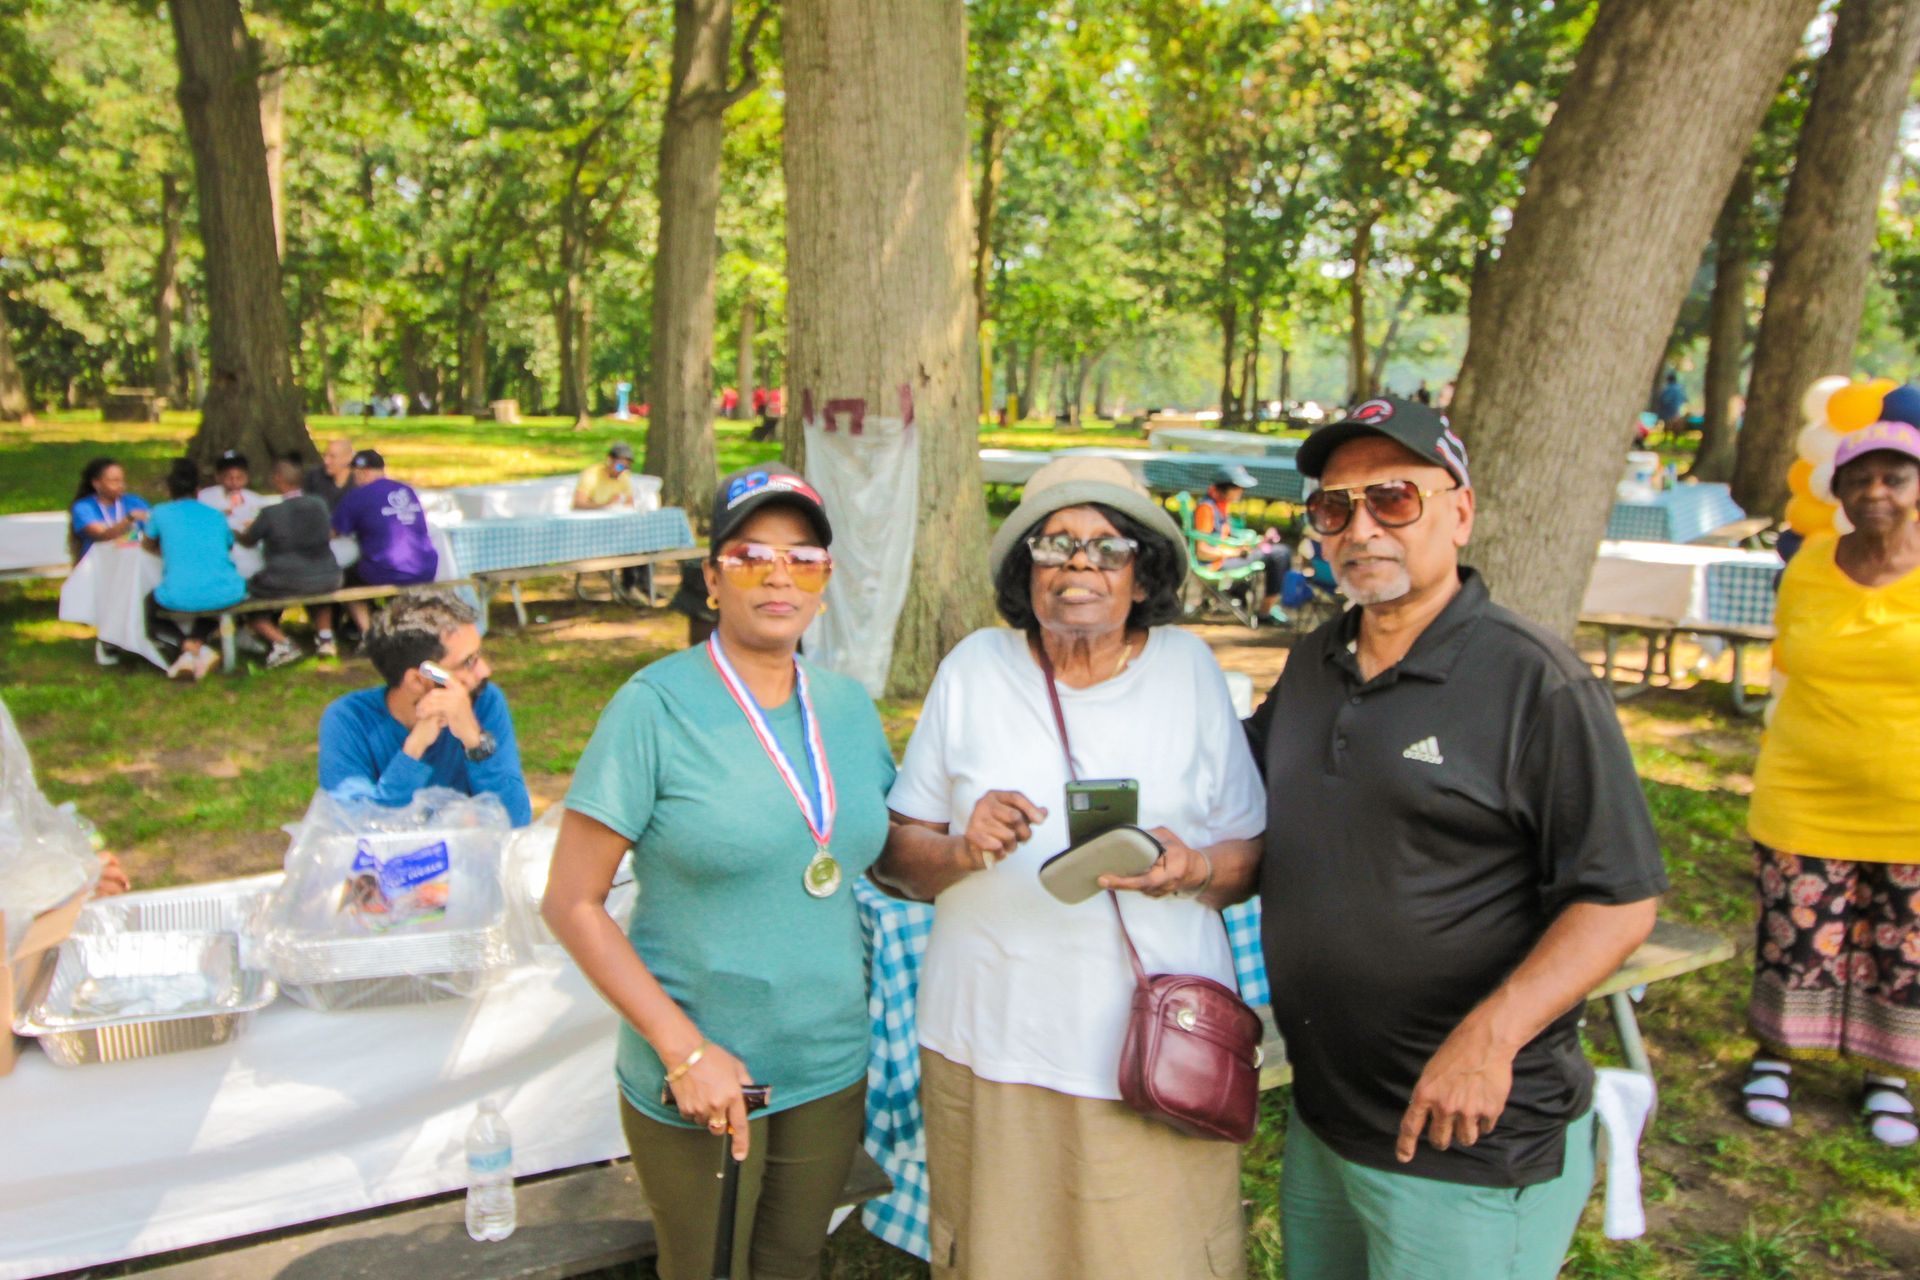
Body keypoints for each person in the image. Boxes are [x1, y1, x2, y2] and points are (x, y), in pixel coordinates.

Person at [1246, 397, 1667, 1280]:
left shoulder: (1535, 683)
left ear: (1461, 512)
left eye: (1393, 498)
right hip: (1326, 1120)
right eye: (1334, 507)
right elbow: (1246, 799)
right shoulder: (1316, 662)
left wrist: (1491, 1038)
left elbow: (1619, 898)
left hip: (1466, 1137)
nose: (1362, 528)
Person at [876, 456, 1266, 1280]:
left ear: (1142, 573)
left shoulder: (1190, 670)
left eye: (1108, 547)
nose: (1079, 564)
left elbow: (1250, 858)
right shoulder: (974, 668)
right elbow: (898, 858)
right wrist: (961, 848)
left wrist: (1192, 866)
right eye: (1054, 544)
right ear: (1026, 569)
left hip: (1150, 1047)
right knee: (1001, 1256)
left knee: (1155, 1259)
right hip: (990, 1037)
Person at [543, 465, 894, 1280]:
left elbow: (874, 848)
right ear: (712, 578)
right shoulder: (654, 707)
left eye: (803, 559)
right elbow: (570, 901)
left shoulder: (848, 707)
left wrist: (969, 843)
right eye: (751, 556)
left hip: (829, 1059)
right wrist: (683, 1051)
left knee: (794, 1261)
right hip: (702, 1072)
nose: (779, 576)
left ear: (825, 581)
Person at [1742, 416, 1920, 1148]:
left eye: (1894, 478)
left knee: (1902, 945)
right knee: (1794, 934)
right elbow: (1790, 656)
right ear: (1838, 490)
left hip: (1911, 804)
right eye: (1859, 479)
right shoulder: (1809, 565)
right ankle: (1775, 1057)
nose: (1876, 491)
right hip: (1804, 788)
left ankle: (1888, 1076)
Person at [317, 589, 531, 826]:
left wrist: (475, 742)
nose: (484, 671)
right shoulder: (349, 720)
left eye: (479, 655)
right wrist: (413, 751)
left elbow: (516, 821)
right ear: (418, 680)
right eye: (468, 662)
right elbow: (356, 828)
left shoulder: (485, 701)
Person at [144, 458, 248, 682]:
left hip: (179, 593)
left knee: (150, 609)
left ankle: (187, 647)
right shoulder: (216, 515)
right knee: (215, 602)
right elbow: (228, 544)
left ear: (169, 491)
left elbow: (147, 544)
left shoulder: (160, 513)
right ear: (198, 490)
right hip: (225, 590)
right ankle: (198, 647)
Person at [239, 459, 344, 665]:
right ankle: (325, 638)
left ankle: (282, 643)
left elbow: (249, 539)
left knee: (247, 598)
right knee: (319, 590)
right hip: (329, 576)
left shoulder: (270, 513)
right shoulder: (320, 505)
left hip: (285, 579)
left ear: (279, 479)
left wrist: (236, 531)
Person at [329, 449, 438, 636]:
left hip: (388, 570)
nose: (353, 479)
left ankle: (368, 634)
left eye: (355, 474)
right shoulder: (406, 490)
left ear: (363, 472)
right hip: (425, 566)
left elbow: (334, 532)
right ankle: (392, 623)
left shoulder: (358, 496)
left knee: (346, 578)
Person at [1193, 463, 1291, 623]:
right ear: (1225, 488)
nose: (1241, 492)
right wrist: (1236, 552)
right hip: (1215, 564)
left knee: (1280, 551)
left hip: (1227, 558)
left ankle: (1264, 606)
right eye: (1238, 488)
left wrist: (1252, 543)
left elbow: (1223, 538)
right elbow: (1202, 552)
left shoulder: (1220, 506)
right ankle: (1265, 611)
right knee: (1280, 554)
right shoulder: (1206, 509)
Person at [68, 457, 150, 562]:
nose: (121, 485)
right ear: (97, 483)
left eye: (122, 480)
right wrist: (129, 518)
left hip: (131, 563)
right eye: (114, 481)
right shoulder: (84, 507)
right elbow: (103, 535)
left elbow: (152, 531)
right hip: (98, 564)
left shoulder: (134, 502)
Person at [197, 450, 269, 535]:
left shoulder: (256, 500)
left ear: (247, 477)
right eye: (229, 477)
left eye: (239, 477)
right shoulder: (204, 497)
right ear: (218, 477)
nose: (234, 482)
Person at [573, 442, 638, 510]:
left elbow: (630, 503)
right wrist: (607, 506)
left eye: (626, 467)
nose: (622, 471)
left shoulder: (624, 475)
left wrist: (621, 506)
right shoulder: (592, 474)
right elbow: (578, 504)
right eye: (620, 467)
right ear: (609, 460)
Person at [303, 437, 356, 511]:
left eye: (332, 457)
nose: (326, 461)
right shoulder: (314, 478)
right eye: (325, 455)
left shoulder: (358, 484)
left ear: (348, 459)